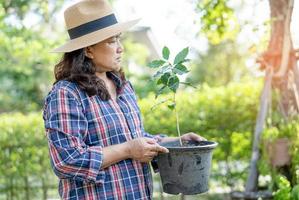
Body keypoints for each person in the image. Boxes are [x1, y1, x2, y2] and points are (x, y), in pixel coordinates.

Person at [43, 0, 205, 199]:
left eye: (119, 39)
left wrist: (176, 142)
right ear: (88, 50)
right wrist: (127, 150)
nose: (120, 48)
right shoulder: (67, 93)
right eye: (111, 41)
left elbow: (134, 138)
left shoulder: (123, 87)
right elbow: (66, 160)